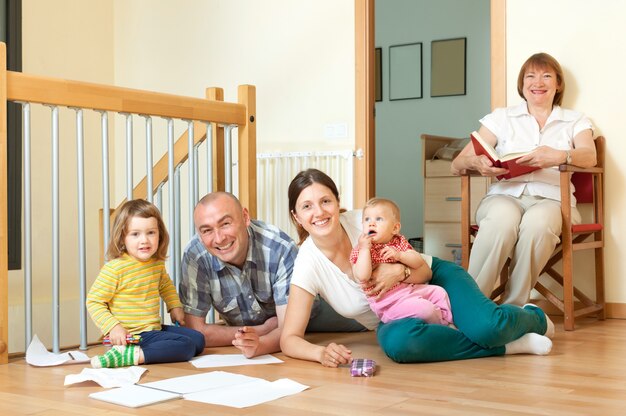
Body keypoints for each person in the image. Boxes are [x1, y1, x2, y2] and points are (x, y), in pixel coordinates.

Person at [280, 168, 555, 367]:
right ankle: (506, 346)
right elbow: (289, 338)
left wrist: (401, 272)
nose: (319, 212)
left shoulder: (365, 221)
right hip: (396, 317)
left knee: (487, 327)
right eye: (307, 206)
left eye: (326, 201)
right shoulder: (307, 262)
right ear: (297, 217)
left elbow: (424, 272)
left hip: (435, 279)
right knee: (401, 346)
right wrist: (320, 354)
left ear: (338, 203)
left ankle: (533, 319)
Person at [450, 52, 596, 306]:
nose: (537, 83)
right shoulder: (501, 117)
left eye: (546, 76)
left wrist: (558, 156)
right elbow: (457, 163)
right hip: (504, 196)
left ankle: (512, 308)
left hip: (553, 200)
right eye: (531, 76)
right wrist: (478, 163)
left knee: (538, 224)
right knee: (501, 221)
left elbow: (589, 156)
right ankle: (469, 305)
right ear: (522, 84)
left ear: (558, 84)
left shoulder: (575, 120)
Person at [179, 192, 365, 359]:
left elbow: (287, 329)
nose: (219, 238)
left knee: (366, 313)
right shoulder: (196, 256)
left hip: (315, 312)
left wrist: (260, 343)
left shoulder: (278, 247)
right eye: (207, 230)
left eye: (225, 224)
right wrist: (262, 331)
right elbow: (195, 332)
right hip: (263, 328)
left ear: (245, 217)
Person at [87, 199, 205, 368]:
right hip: (132, 334)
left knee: (198, 340)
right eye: (135, 234)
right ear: (122, 238)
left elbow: (166, 286)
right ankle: (133, 355)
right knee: (186, 347)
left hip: (152, 329)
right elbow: (94, 301)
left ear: (160, 235)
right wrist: (113, 328)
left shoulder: (156, 264)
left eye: (151, 233)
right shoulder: (115, 268)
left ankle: (146, 351)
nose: (144, 240)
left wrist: (174, 307)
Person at [350, 197, 453, 326]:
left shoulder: (398, 242)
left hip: (410, 289)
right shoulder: (361, 249)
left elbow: (418, 262)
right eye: (367, 219)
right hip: (388, 303)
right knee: (425, 309)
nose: (371, 223)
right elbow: (362, 276)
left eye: (378, 219)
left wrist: (400, 256)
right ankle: (443, 327)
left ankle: (447, 321)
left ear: (395, 228)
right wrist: (365, 249)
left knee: (439, 293)